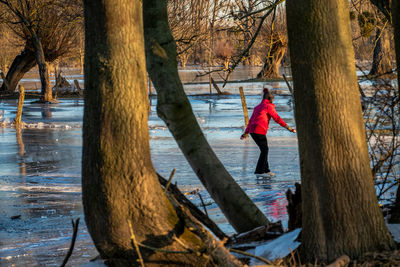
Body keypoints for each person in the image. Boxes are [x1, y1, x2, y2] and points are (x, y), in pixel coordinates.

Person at [241, 87, 296, 178]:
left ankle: (266, 170)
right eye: (273, 100)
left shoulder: (257, 107)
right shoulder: (268, 106)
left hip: (253, 131)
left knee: (264, 150)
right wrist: (289, 128)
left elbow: (250, 121)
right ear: (270, 99)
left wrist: (246, 133)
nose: (273, 102)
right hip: (259, 130)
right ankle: (259, 171)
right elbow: (277, 119)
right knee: (264, 150)